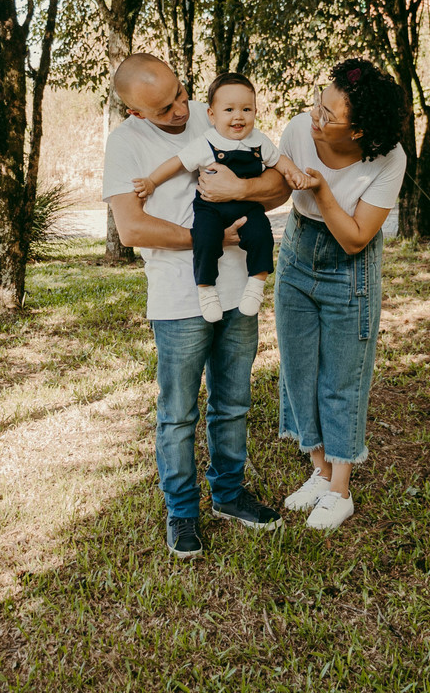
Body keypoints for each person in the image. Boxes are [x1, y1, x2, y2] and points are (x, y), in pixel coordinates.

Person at [198, 57, 407, 530]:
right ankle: (319, 471)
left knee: (343, 376)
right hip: (297, 250)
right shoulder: (299, 129)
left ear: (358, 131)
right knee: (299, 369)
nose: (315, 115)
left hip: (350, 262)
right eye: (318, 102)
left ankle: (340, 490)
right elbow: (276, 191)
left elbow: (356, 237)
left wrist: (322, 191)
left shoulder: (389, 159)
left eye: (328, 114)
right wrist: (239, 186)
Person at [103, 53, 288, 559]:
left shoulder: (219, 114)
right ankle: (182, 512)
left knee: (233, 403)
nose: (182, 111)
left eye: (182, 94)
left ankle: (228, 495)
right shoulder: (126, 144)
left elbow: (278, 185)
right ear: (137, 113)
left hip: (239, 293)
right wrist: (211, 239)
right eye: (165, 109)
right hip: (178, 298)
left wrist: (241, 188)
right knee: (179, 414)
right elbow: (131, 228)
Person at [132, 72, 312, 322]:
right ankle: (206, 288)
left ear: (256, 112)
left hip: (246, 206)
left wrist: (295, 173)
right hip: (211, 207)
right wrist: (151, 181)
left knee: (262, 235)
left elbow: (279, 161)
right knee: (205, 238)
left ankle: (256, 284)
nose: (238, 116)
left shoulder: (258, 141)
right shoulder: (207, 142)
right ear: (212, 115)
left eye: (246, 109)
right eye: (229, 110)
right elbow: (177, 162)